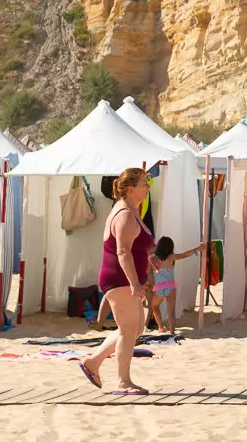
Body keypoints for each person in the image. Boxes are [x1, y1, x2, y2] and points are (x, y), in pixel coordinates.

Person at [80, 168, 153, 394]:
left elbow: (137, 246)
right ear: (131, 189)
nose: (148, 187)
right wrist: (135, 283)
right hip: (119, 279)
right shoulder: (124, 214)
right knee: (127, 329)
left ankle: (93, 362)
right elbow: (122, 252)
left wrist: (151, 258)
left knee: (136, 328)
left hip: (125, 279)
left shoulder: (132, 210)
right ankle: (123, 382)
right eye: (144, 183)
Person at [146, 237, 198, 332]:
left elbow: (148, 272)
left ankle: (161, 327)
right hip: (170, 285)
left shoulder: (152, 258)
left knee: (154, 307)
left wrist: (149, 284)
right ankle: (172, 332)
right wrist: (197, 249)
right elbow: (184, 255)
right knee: (171, 313)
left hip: (159, 287)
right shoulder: (171, 257)